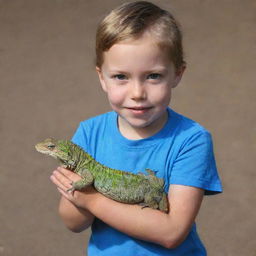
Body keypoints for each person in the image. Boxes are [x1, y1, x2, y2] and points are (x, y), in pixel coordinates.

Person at [50, 1, 222, 255]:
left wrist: (90, 198)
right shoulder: (89, 133)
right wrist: (73, 190)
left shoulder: (191, 139)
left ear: (177, 74)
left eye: (153, 76)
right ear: (102, 78)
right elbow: (73, 222)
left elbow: (171, 232)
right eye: (121, 76)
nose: (137, 93)